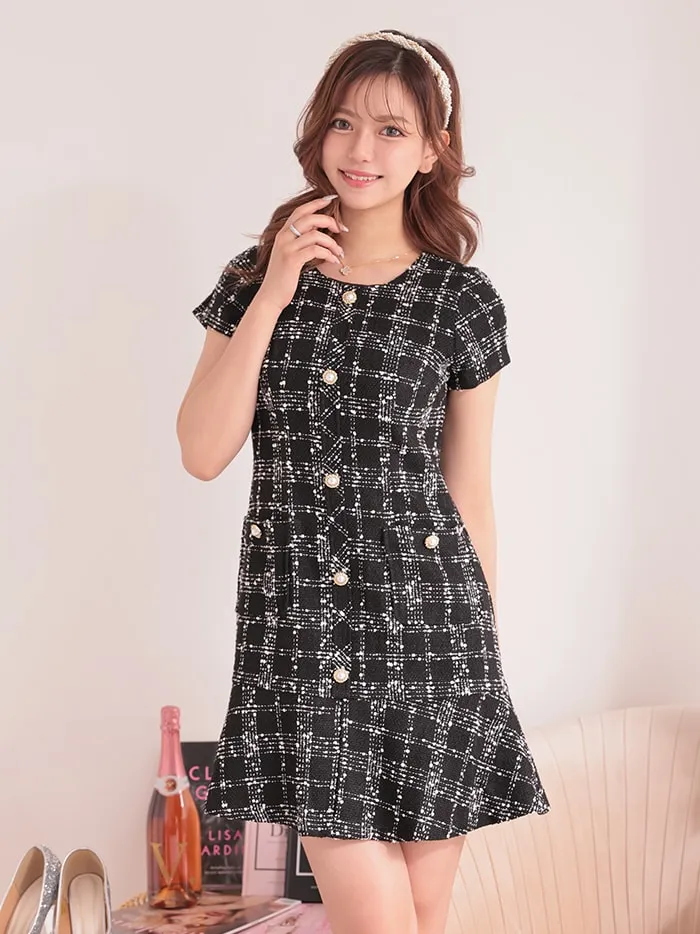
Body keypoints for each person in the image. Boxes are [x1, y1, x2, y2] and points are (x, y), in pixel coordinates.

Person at [176, 28, 550, 934]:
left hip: (435, 635)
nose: (361, 150)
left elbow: (470, 493)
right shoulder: (254, 281)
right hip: (302, 633)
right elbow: (201, 449)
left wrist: (483, 665)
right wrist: (275, 289)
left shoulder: (462, 303)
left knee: (421, 913)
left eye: (391, 130)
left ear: (431, 151)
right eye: (344, 122)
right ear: (318, 132)